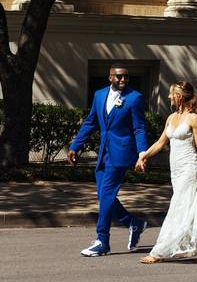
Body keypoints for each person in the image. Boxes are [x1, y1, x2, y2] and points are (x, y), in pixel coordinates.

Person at [68, 65, 149, 257]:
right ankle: (133, 223)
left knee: (106, 194)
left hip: (121, 153)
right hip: (103, 152)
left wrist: (142, 153)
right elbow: (90, 122)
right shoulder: (99, 95)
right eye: (119, 77)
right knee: (104, 195)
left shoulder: (134, 98)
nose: (123, 80)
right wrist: (74, 146)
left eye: (126, 77)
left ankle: (102, 240)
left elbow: (139, 128)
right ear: (110, 77)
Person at [136, 81, 197, 263]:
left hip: (189, 168)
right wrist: (144, 156)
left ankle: (159, 252)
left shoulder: (194, 118)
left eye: (171, 94)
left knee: (178, 206)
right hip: (176, 169)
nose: (169, 97)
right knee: (188, 208)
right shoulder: (171, 118)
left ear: (179, 96)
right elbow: (160, 142)